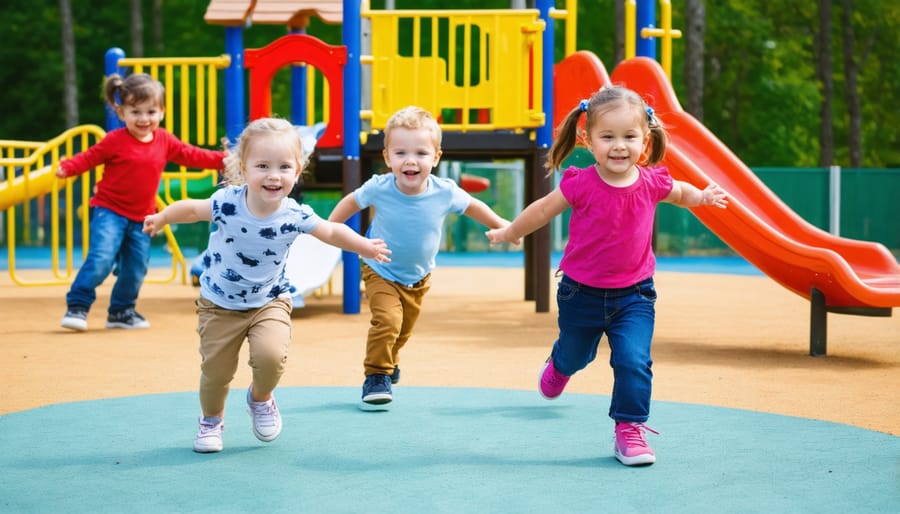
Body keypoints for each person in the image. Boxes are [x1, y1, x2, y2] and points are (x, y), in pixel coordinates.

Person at [486, 86, 728, 467]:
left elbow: (679, 192)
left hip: (634, 296)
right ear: (588, 140)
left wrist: (702, 196)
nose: (619, 146)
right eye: (608, 137)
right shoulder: (581, 183)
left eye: (629, 137)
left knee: (633, 360)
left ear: (645, 141)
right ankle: (560, 365)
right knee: (576, 354)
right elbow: (543, 209)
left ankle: (629, 429)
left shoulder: (651, 182)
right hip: (580, 293)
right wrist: (512, 231)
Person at [143, 117, 392, 453]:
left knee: (271, 356)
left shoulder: (294, 214)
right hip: (219, 303)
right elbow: (191, 210)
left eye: (284, 167)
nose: (274, 175)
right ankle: (211, 420)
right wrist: (162, 217)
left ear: (297, 170)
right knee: (216, 373)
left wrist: (364, 244)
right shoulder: (228, 203)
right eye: (262, 166)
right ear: (243, 168)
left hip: (269, 300)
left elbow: (331, 231)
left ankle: (260, 398)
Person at [328, 106, 514, 411]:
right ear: (388, 158)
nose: (410, 160)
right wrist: (331, 229)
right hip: (380, 267)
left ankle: (389, 360)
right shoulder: (380, 187)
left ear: (436, 157)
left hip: (418, 276)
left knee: (402, 331)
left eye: (421, 153)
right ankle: (376, 375)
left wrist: (502, 226)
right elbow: (351, 202)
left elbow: (474, 206)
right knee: (387, 322)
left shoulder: (445, 192)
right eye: (400, 153)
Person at [57, 73, 227, 331]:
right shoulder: (115, 140)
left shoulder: (165, 140)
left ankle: (121, 311)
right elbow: (90, 157)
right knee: (102, 258)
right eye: (135, 112)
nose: (144, 119)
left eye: (151, 111)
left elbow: (191, 154)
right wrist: (68, 168)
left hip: (142, 216)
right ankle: (78, 305)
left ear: (162, 111)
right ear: (121, 112)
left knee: (137, 266)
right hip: (109, 210)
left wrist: (220, 159)